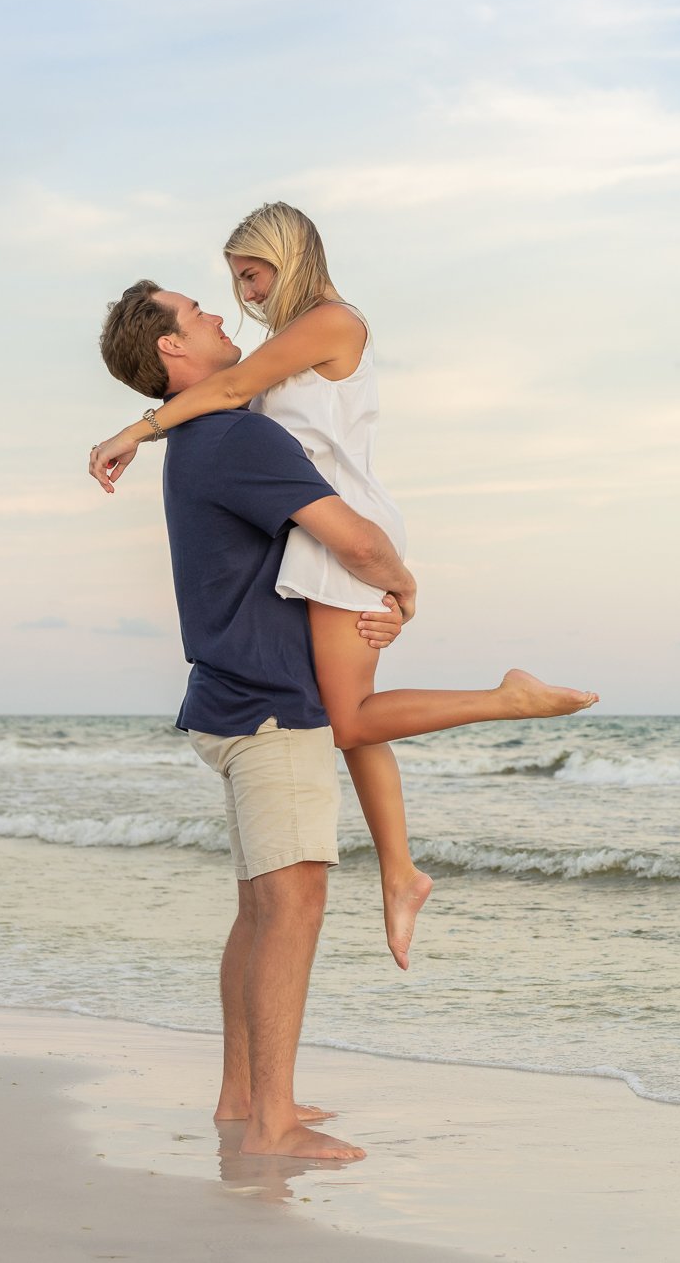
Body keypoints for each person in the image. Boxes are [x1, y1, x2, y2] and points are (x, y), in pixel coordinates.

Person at [88, 203, 597, 974]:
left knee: (350, 721)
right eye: (228, 284)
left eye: (250, 274)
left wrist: (136, 430)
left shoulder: (331, 322)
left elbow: (233, 395)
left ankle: (507, 700)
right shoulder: (284, 343)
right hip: (324, 534)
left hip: (347, 532)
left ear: (287, 255)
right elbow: (236, 399)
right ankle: (401, 872)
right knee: (349, 716)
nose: (242, 295)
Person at [98, 278, 407, 1160]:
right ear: (171, 350)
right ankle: (271, 1120)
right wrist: (407, 588)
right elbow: (353, 539)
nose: (222, 317)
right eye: (200, 313)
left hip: (232, 701)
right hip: (270, 704)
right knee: (293, 906)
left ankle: (245, 1099)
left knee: (257, 911)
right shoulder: (235, 433)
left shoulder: (196, 438)